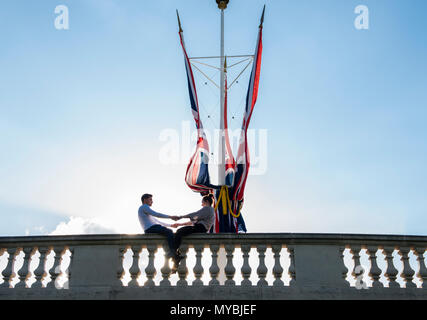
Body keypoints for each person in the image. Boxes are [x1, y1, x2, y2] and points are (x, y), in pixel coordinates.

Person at [171, 194, 215, 272]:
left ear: (206, 201)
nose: (202, 205)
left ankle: (174, 254)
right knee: (181, 232)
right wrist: (180, 224)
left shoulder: (207, 208)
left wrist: (180, 217)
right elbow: (192, 221)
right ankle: (176, 257)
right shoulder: (209, 211)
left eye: (203, 202)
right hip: (200, 228)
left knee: (179, 232)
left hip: (200, 228)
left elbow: (194, 215)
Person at [138, 193, 179, 260]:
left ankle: (174, 253)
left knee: (169, 232)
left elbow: (158, 221)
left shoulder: (146, 211)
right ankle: (172, 251)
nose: (152, 201)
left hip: (150, 228)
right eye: (150, 199)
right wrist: (170, 217)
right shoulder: (144, 207)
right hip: (151, 228)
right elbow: (157, 214)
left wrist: (171, 225)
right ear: (145, 200)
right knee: (169, 232)